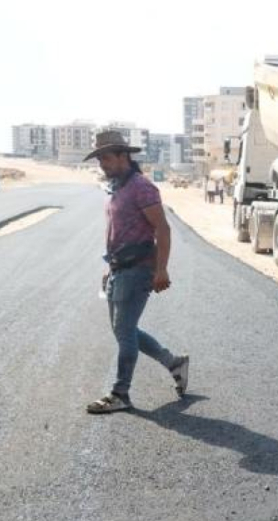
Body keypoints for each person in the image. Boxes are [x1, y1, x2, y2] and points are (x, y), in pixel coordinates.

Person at [84, 131, 190, 414]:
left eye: (106, 158)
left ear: (123, 156)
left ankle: (120, 393)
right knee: (124, 330)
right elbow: (118, 231)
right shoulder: (117, 187)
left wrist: (162, 269)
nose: (102, 164)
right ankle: (174, 363)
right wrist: (109, 266)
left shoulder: (141, 187)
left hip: (138, 270)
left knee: (124, 331)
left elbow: (162, 228)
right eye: (99, 159)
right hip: (118, 269)